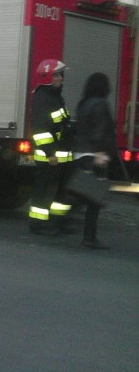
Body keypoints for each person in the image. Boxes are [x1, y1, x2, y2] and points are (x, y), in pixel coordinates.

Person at [72, 72, 118, 249]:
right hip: (94, 155)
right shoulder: (101, 104)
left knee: (85, 192)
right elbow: (100, 130)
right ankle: (89, 238)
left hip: (81, 153)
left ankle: (69, 219)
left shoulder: (83, 104)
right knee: (94, 199)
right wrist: (101, 153)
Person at [28, 59, 74, 235]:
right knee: (44, 191)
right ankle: (38, 225)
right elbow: (40, 130)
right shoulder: (42, 97)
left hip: (62, 154)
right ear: (47, 76)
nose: (60, 78)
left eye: (60, 75)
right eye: (56, 75)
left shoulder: (55, 96)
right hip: (49, 156)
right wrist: (50, 153)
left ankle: (58, 223)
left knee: (61, 190)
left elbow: (62, 123)